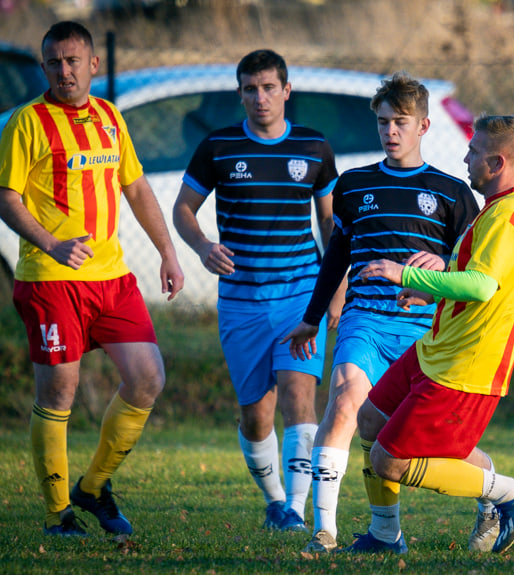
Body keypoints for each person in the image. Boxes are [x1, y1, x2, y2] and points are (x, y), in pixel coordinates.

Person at [282, 71, 480, 554]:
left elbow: (476, 270)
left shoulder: (452, 192)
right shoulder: (353, 185)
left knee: (431, 439)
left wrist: (444, 265)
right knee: (346, 401)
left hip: (425, 332)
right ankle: (325, 530)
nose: (390, 131)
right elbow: (336, 256)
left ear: (424, 127)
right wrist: (313, 314)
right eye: (384, 122)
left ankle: (500, 494)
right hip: (364, 320)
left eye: (400, 122)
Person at [0, 21, 184, 537]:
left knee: (148, 376)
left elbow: (137, 186)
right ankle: (59, 513)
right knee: (61, 388)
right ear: (44, 68)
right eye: (54, 63)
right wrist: (52, 243)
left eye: (73, 60)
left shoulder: (109, 117)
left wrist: (168, 252)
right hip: (49, 280)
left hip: (112, 277)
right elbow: (5, 197)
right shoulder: (26, 123)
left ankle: (94, 485)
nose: (64, 71)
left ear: (92, 65)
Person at [354, 114, 514, 554]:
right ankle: (384, 538)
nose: (465, 157)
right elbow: (481, 284)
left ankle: (510, 493)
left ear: (497, 162)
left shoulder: (507, 217)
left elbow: (481, 286)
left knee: (389, 460)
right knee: (370, 420)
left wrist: (407, 276)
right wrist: (434, 298)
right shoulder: (502, 209)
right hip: (436, 350)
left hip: (465, 367)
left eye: (474, 151)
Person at [172, 49, 342, 533]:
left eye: (269, 88)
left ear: (287, 91)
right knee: (256, 415)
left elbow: (330, 223)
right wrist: (203, 246)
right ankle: (275, 500)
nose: (260, 98)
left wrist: (336, 289)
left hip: (299, 294)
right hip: (242, 303)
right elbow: (183, 208)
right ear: (240, 93)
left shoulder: (313, 148)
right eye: (250, 88)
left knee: (298, 396)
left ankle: (298, 509)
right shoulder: (219, 147)